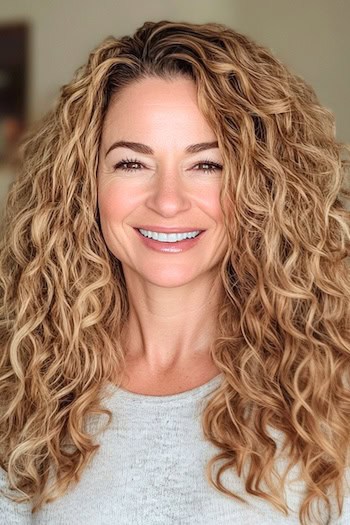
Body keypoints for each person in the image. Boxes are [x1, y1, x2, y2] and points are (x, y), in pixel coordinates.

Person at [0, 19, 349, 525]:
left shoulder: (330, 390)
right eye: (131, 164)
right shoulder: (23, 385)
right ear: (84, 186)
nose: (167, 200)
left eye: (207, 165)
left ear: (262, 186)